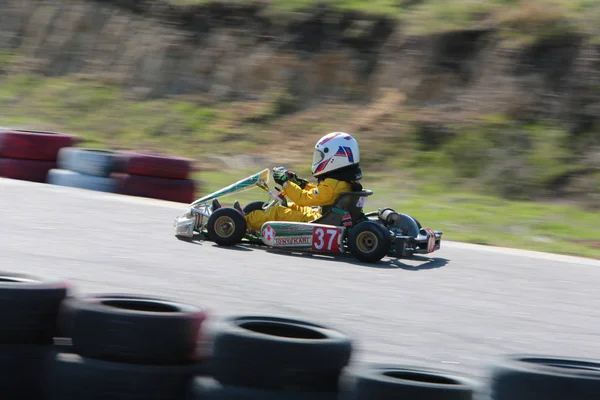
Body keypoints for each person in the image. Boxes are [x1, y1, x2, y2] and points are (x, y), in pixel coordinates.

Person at [213, 132, 363, 232]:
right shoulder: (340, 181)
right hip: (322, 214)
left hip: (317, 220)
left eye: (320, 157)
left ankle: (236, 221)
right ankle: (246, 216)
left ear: (335, 158)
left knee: (278, 212)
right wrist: (301, 184)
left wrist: (286, 183)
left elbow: (304, 199)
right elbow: (319, 195)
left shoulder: (334, 184)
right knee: (289, 206)